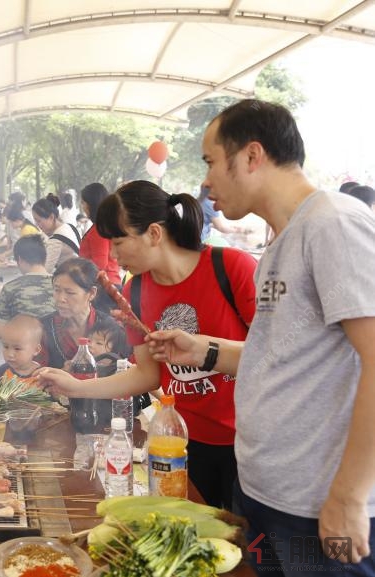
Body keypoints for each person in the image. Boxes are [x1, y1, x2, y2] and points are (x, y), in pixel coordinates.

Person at [147, 99, 375, 574]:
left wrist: (349, 497)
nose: (205, 181)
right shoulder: (282, 240)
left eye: (211, 161)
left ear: (252, 156)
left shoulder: (333, 223)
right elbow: (283, 355)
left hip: (317, 507)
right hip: (267, 495)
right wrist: (204, 350)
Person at [37, 180, 257, 509]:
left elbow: (276, 358)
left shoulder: (232, 268)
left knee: (247, 548)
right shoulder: (134, 292)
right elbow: (147, 376)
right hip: (180, 442)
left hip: (248, 443)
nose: (112, 254)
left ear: (154, 233)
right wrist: (75, 386)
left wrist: (204, 351)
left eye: (119, 241)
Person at [36, 258, 114, 370]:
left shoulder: (110, 328)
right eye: (57, 290)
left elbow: (122, 371)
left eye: (70, 292)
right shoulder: (42, 328)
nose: (61, 299)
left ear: (91, 293)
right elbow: (31, 376)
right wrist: (61, 374)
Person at [0, 234, 55, 333]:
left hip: (24, 346)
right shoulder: (61, 286)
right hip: (57, 347)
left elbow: (0, 330)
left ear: (20, 260)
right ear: (44, 257)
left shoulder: (10, 288)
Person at [0, 315, 43, 404]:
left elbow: (54, 405)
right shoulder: (1, 372)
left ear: (36, 350)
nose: (10, 354)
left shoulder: (42, 375)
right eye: (6, 347)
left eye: (17, 349)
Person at [78, 182, 121, 285]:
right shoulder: (103, 225)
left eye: (83, 202)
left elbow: (99, 265)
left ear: (91, 204)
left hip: (103, 286)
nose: (82, 206)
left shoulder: (99, 230)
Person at [32, 194, 81, 272]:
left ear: (51, 217)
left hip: (71, 279)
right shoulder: (69, 226)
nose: (38, 225)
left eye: (39, 221)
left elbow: (45, 272)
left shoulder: (55, 240)